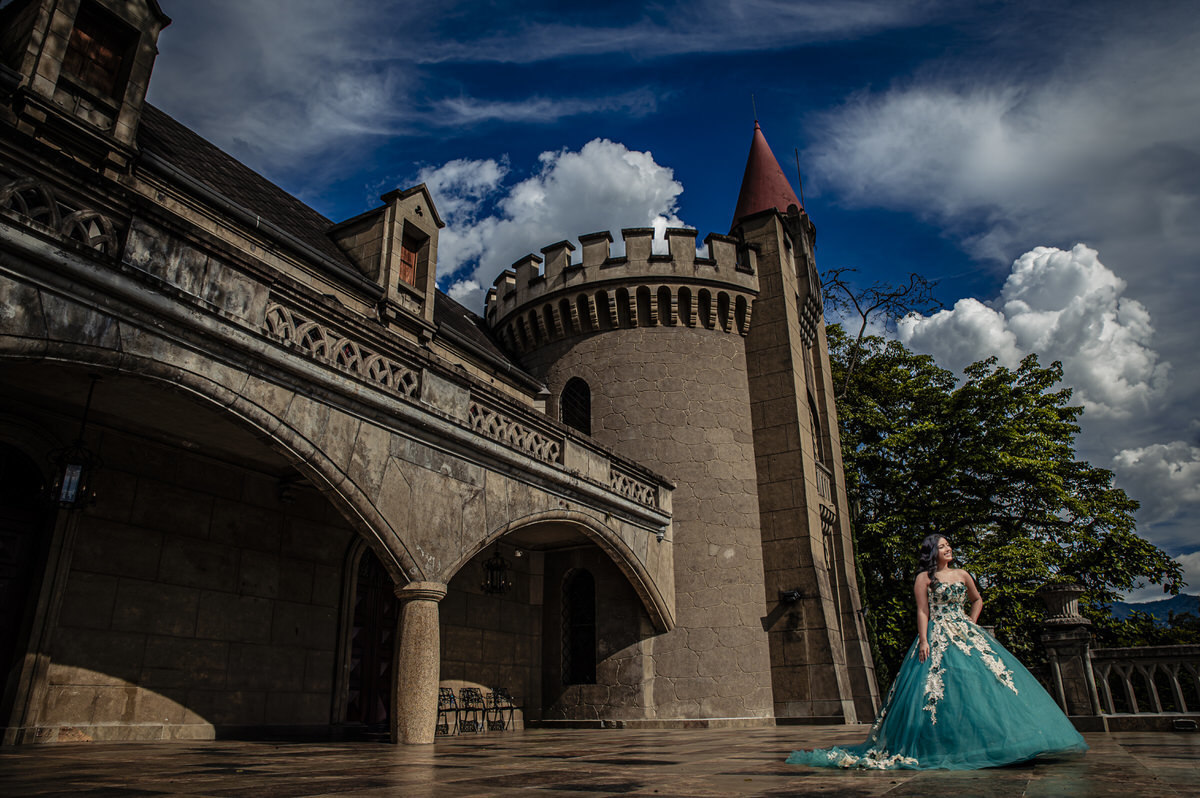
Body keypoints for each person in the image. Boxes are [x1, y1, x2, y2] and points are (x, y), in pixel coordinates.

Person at [787, 535, 1088, 770]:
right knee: (937, 690)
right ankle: (945, 746)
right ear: (932, 552)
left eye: (949, 546)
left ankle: (1006, 741)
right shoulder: (924, 578)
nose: (948, 549)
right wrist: (924, 640)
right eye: (942, 547)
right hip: (937, 632)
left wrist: (972, 623)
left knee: (989, 684)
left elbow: (978, 599)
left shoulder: (962, 574)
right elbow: (922, 610)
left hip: (965, 632)